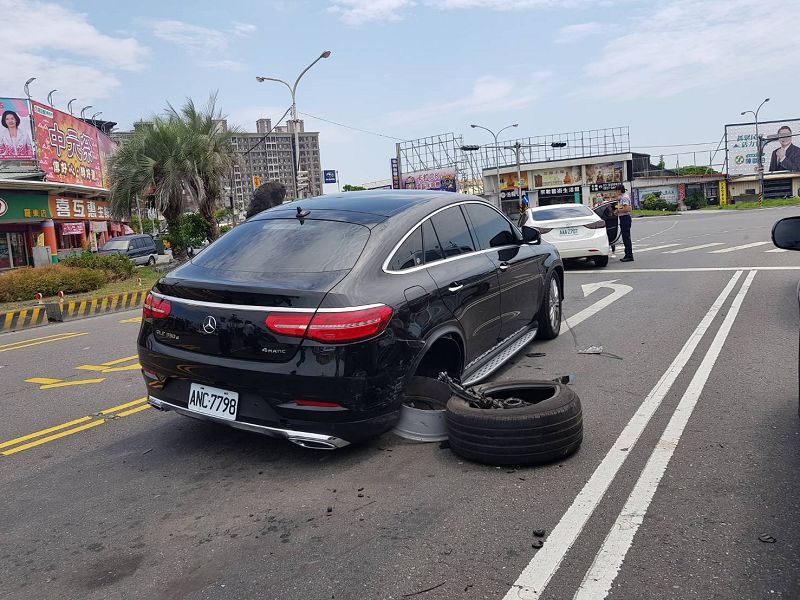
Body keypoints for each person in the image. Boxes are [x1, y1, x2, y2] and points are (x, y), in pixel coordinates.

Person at [616, 184, 633, 262]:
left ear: (620, 190)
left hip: (625, 218)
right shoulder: (622, 198)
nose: (616, 192)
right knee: (625, 237)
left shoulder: (624, 198)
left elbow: (627, 209)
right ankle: (627, 254)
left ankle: (629, 255)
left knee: (626, 238)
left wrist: (618, 210)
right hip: (623, 218)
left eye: (617, 190)